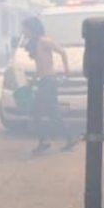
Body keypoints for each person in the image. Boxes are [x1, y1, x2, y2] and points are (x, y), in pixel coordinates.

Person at [22, 17, 77, 154]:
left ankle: (47, 140)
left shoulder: (44, 41)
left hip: (49, 81)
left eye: (25, 28)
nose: (23, 31)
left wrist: (67, 71)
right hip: (44, 81)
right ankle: (68, 137)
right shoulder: (34, 43)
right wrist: (33, 80)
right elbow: (40, 66)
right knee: (51, 112)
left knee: (38, 111)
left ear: (32, 28)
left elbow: (62, 52)